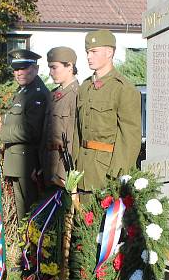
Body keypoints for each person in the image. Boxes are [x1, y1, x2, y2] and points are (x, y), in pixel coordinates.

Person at [72, 30, 141, 191]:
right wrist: (74, 165)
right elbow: (77, 131)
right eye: (87, 52)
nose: (89, 56)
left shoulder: (123, 89)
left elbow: (130, 137)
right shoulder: (85, 87)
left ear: (109, 52)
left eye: (94, 52)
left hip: (106, 173)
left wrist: (118, 175)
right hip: (82, 171)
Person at [0, 49, 49, 218]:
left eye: (23, 68)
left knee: (30, 215)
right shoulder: (23, 92)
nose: (18, 73)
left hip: (28, 163)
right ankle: (25, 244)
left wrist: (3, 131)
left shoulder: (37, 93)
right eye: (16, 69)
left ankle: (31, 245)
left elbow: (32, 131)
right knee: (23, 215)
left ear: (35, 69)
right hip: (19, 163)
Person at [40, 46, 79, 188]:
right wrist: (40, 165)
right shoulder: (53, 95)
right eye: (49, 68)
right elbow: (45, 134)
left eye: (54, 67)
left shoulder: (77, 95)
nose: (50, 73)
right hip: (48, 165)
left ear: (69, 66)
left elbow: (72, 138)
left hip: (62, 169)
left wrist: (63, 174)